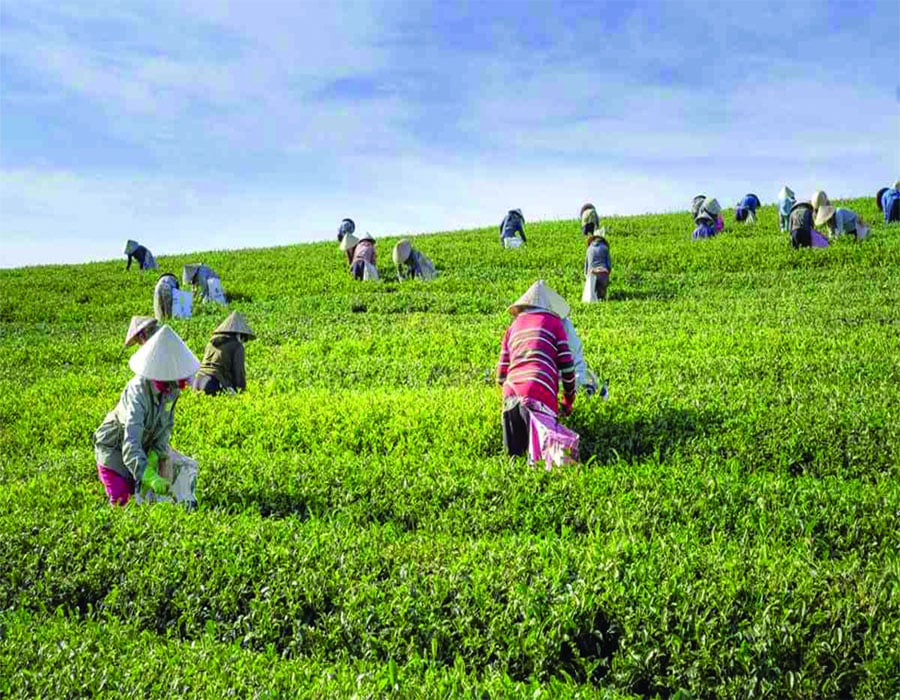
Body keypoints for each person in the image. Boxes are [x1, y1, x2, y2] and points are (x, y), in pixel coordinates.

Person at [94, 325, 200, 506]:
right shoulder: (138, 392)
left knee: (180, 473)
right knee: (123, 499)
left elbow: (166, 426)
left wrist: (155, 453)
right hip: (116, 448)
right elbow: (130, 444)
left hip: (146, 446)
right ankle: (125, 477)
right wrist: (149, 475)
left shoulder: (172, 389)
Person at [497, 280, 577, 457]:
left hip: (510, 394)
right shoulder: (554, 323)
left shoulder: (512, 327)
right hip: (539, 392)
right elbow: (567, 367)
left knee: (513, 461)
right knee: (544, 462)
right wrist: (568, 401)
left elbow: (501, 375)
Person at [193, 312, 255, 395]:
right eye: (244, 339)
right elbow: (239, 372)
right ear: (240, 335)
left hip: (197, 382)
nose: (243, 342)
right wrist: (241, 392)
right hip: (213, 383)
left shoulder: (211, 343)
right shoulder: (237, 346)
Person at [583, 230, 611, 301]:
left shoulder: (589, 249)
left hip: (592, 272)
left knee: (592, 293)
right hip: (603, 272)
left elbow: (586, 264)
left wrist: (587, 275)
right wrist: (607, 273)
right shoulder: (605, 248)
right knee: (602, 291)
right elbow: (609, 264)